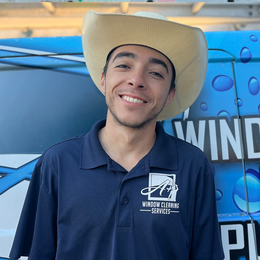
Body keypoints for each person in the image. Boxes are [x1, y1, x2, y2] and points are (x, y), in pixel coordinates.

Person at [10, 10, 224, 260]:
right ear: (103, 79)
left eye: (155, 73)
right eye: (124, 65)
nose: (136, 80)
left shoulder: (193, 167)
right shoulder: (57, 163)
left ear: (170, 95)